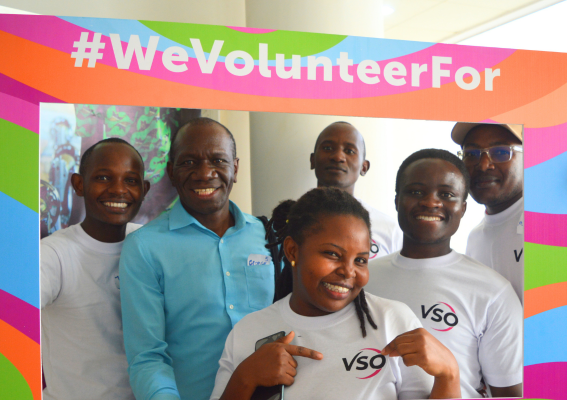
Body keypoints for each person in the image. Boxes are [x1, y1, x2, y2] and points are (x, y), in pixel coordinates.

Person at [210, 188, 461, 400]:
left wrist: (449, 374)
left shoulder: (392, 321)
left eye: (360, 260)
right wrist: (245, 378)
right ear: (292, 251)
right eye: (332, 254)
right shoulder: (248, 331)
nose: (348, 271)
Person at [120, 117, 276, 400]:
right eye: (189, 162)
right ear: (171, 172)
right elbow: (147, 356)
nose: (205, 174)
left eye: (218, 160)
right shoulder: (144, 247)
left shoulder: (270, 237)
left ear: (235, 168)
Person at [367, 149, 523, 398]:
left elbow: (510, 394)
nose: (430, 202)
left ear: (462, 208)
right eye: (416, 191)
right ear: (397, 200)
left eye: (447, 194)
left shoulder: (493, 291)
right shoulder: (361, 278)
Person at [40, 138, 150, 400]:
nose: (118, 190)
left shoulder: (151, 245)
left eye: (131, 180)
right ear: (79, 184)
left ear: (144, 189)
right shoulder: (53, 255)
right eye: (103, 177)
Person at [452, 123, 524, 303]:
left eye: (500, 152)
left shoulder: (552, 224)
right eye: (471, 154)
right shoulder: (475, 240)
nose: (483, 165)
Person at [311, 122, 402, 259]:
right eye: (328, 148)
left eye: (349, 151)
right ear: (313, 160)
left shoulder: (389, 230)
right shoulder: (286, 221)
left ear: (364, 167)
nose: (338, 157)